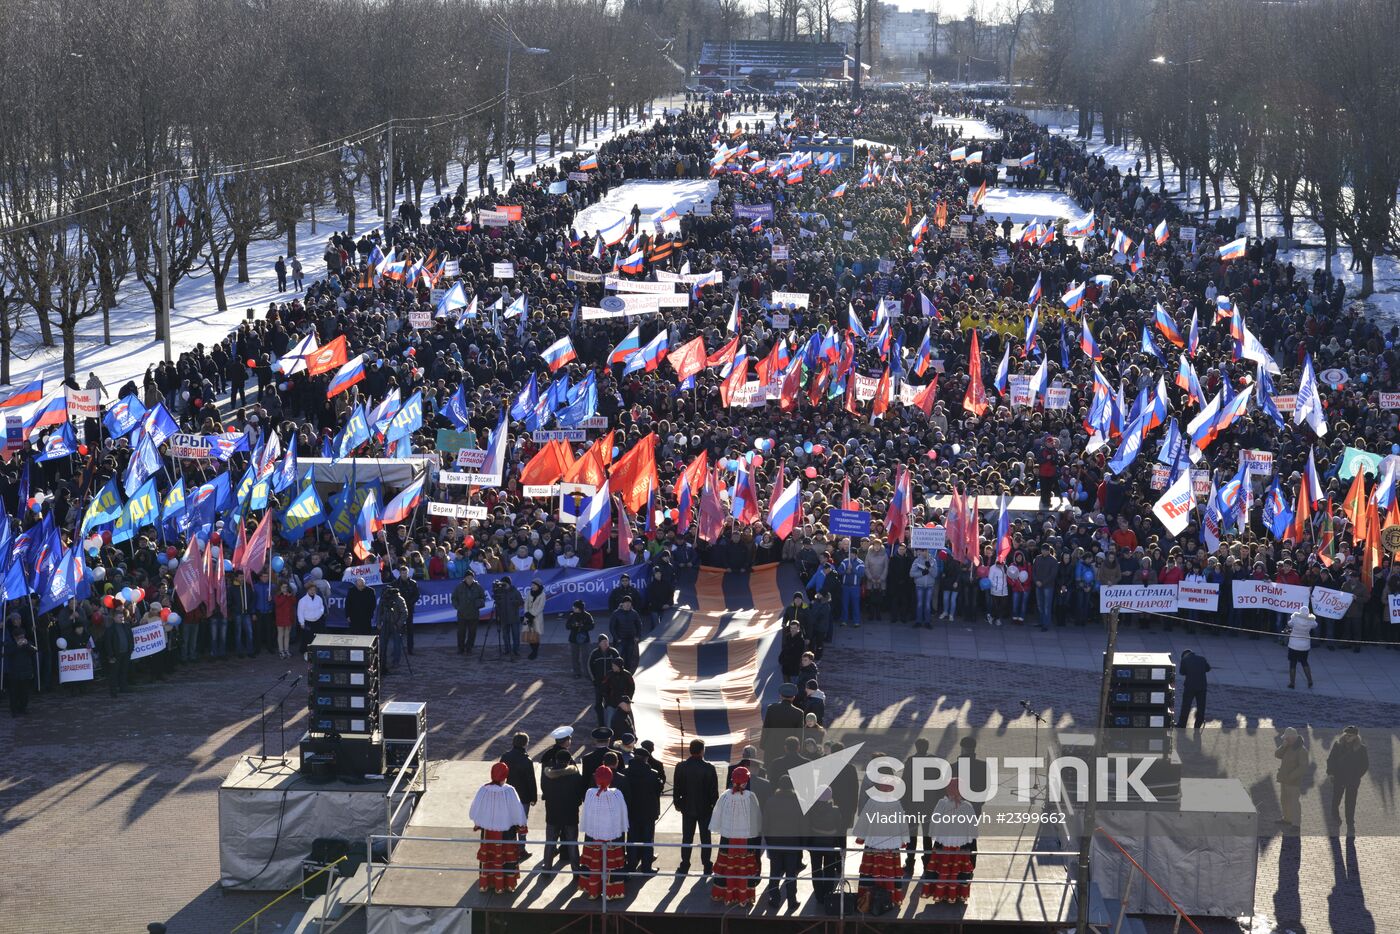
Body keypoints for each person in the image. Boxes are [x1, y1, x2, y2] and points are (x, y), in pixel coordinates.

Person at [468, 762, 528, 894]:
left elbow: (474, 811)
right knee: (507, 858)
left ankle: (486, 884)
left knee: (488, 858)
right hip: (506, 832)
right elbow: (517, 811)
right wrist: (521, 824)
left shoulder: (483, 789)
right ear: (506, 775)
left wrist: (480, 821)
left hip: (488, 832)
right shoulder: (510, 791)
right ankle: (507, 885)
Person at [854, 766, 906, 911]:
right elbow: (902, 822)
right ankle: (889, 899)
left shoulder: (872, 802)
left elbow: (864, 820)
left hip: (873, 844)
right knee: (890, 872)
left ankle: (868, 899)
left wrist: (861, 837)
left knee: (871, 871)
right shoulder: (896, 803)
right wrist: (903, 839)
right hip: (891, 846)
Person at [709, 765, 763, 906]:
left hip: (727, 838)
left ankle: (724, 895)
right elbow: (757, 819)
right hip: (746, 839)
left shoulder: (725, 796)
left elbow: (716, 817)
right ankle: (743, 896)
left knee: (727, 865)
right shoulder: (751, 797)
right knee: (744, 866)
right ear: (746, 781)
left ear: (733, 779)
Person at [578, 766, 629, 899]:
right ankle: (611, 893)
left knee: (594, 865)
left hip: (594, 838)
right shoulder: (617, 794)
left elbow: (586, 814)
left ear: (596, 778)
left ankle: (593, 891)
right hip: (612, 839)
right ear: (610, 778)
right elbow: (622, 814)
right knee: (611, 866)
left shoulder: (590, 793)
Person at [924, 779, 977, 903]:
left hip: (946, 843)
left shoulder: (944, 804)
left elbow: (934, 821)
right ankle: (955, 895)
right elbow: (972, 826)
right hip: (958, 844)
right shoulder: (964, 805)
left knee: (944, 869)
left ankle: (941, 894)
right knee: (956, 870)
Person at [673, 738, 719, 876]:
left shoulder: (681, 767)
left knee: (687, 837)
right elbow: (713, 792)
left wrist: (678, 804)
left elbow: (677, 788)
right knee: (706, 838)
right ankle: (706, 865)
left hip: (687, 808)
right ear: (702, 751)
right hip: (705, 809)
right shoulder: (709, 768)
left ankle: (685, 864)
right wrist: (714, 807)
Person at [761, 774, 804, 911]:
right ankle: (792, 901)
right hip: (792, 843)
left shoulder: (771, 801)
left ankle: (774, 899)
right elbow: (803, 825)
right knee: (791, 873)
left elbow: (765, 824)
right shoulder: (799, 802)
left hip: (775, 842)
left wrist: (768, 840)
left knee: (774, 872)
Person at [540, 751, 586, 871]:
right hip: (570, 813)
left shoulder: (547, 774)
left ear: (556, 759)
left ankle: (547, 867)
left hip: (552, 812)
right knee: (572, 843)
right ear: (569, 760)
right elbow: (580, 793)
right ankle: (575, 869)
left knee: (550, 842)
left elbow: (544, 789)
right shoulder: (575, 775)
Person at [624, 744, 664, 874]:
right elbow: (658, 790)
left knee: (632, 839)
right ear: (646, 759)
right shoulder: (653, 774)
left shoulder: (626, 773)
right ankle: (646, 867)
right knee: (647, 839)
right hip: (648, 812)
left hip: (631, 811)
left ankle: (631, 864)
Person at [499, 732, 538, 861]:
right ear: (526, 744)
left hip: (507, 797)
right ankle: (521, 849)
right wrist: (533, 797)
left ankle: (509, 849)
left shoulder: (505, 757)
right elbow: (530, 781)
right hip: (523, 798)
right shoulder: (527, 760)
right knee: (522, 824)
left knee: (509, 823)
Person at [806, 786, 845, 904]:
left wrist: (807, 844)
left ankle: (818, 894)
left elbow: (807, 827)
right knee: (829, 870)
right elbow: (840, 830)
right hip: (830, 845)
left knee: (816, 870)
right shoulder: (835, 810)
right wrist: (843, 846)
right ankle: (828, 893)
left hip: (815, 845)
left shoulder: (811, 809)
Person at [1326, 725, 1369, 833]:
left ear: (1356, 736)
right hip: (1339, 777)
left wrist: (1356, 776)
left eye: (1350, 736)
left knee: (1351, 801)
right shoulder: (1338, 745)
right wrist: (1330, 773)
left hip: (1352, 780)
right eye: (1346, 735)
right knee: (1336, 799)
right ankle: (1335, 816)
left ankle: (1350, 821)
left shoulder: (1361, 749)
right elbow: (1331, 759)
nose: (1347, 737)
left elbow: (1365, 765)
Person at [761, 683, 805, 765]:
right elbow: (799, 734)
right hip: (789, 748)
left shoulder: (771, 708)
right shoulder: (799, 713)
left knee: (770, 773)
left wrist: (763, 744)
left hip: (771, 747)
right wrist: (799, 750)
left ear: (780, 696)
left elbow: (766, 727)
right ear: (793, 697)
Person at [3, 616, 38, 716]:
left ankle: (23, 708)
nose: (21, 639)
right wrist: (17, 646)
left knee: (25, 693)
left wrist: (27, 645)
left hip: (26, 672)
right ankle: (14, 710)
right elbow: (8, 653)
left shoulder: (28, 643)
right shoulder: (10, 645)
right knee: (14, 693)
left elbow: (35, 649)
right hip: (14, 673)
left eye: (22, 636)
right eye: (18, 637)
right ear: (15, 637)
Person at [1275, 727, 1308, 829]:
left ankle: (1296, 824)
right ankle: (1287, 819)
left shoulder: (1302, 750)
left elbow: (1303, 767)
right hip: (1284, 779)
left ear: (1293, 738)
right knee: (1284, 800)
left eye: (1287, 738)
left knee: (1294, 803)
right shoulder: (1287, 746)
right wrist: (1283, 746)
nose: (1285, 740)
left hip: (1293, 781)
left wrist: (1291, 776)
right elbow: (1277, 755)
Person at [587, 636, 622, 726]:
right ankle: (601, 723)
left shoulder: (613, 652)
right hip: (599, 683)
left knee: (610, 703)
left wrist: (617, 679)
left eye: (607, 641)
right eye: (603, 642)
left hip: (611, 683)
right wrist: (594, 680)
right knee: (598, 704)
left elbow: (620, 665)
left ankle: (610, 723)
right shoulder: (594, 653)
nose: (606, 643)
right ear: (599, 643)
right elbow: (589, 667)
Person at [102, 603, 135, 696]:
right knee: (114, 673)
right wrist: (111, 655)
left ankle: (123, 688)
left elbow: (131, 638)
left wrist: (131, 648)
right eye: (120, 617)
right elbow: (108, 643)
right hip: (116, 655)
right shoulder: (110, 629)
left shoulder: (127, 626)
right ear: (114, 618)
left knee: (124, 671)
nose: (122, 618)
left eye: (123, 617)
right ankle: (113, 691)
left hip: (126, 652)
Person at [452, 571, 487, 654]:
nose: (470, 579)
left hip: (474, 614)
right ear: (465, 578)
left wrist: (479, 603)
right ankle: (461, 648)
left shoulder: (478, 587)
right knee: (461, 633)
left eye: (471, 578)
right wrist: (458, 607)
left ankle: (469, 647)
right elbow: (454, 598)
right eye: (468, 578)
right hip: (462, 614)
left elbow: (483, 597)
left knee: (472, 633)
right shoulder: (459, 587)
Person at [1285, 604, 1317, 689]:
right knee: (1304, 662)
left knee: (1292, 663)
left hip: (1293, 645)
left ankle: (1292, 683)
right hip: (1304, 645)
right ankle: (1310, 680)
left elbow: (1289, 623)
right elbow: (1315, 625)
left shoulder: (1295, 618)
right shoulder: (1311, 621)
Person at [1176, 649, 1211, 729]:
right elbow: (1208, 669)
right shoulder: (1202, 659)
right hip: (1202, 687)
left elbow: (1182, 672)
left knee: (1186, 706)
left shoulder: (1185, 660)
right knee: (1201, 707)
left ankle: (1182, 725)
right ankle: (1197, 726)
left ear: (1184, 656)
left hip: (1190, 687)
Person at [609, 596, 642, 672]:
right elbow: (612, 627)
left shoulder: (634, 613)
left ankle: (627, 673)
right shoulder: (616, 613)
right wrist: (617, 638)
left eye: (629, 603)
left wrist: (637, 636)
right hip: (620, 640)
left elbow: (639, 625)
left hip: (631, 639)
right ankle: (617, 672)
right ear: (622, 604)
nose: (627, 605)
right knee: (618, 657)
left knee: (629, 658)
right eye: (626, 603)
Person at [493, 577, 523, 658]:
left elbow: (521, 602)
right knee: (505, 635)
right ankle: (507, 649)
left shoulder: (515, 592)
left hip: (514, 617)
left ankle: (516, 650)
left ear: (508, 583)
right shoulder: (500, 592)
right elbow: (497, 603)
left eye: (504, 583)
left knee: (515, 635)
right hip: (504, 617)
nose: (503, 585)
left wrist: (514, 602)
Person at [565, 600, 594, 678]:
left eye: (574, 607)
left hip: (584, 639)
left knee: (586, 657)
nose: (573, 608)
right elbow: (567, 626)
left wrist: (582, 626)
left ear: (579, 608)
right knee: (575, 656)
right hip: (573, 639)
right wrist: (573, 625)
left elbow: (592, 626)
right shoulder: (572, 615)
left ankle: (587, 673)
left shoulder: (587, 615)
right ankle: (577, 673)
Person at [837, 550, 865, 627]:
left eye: (853, 554)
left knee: (855, 605)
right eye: (850, 554)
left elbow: (861, 574)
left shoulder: (860, 563)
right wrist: (846, 571)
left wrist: (852, 569)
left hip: (855, 587)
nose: (851, 555)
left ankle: (856, 621)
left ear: (856, 554)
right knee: (844, 604)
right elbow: (839, 571)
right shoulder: (845, 561)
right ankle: (844, 620)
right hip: (845, 586)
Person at [911, 549, 938, 628]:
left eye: (926, 551)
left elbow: (935, 574)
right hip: (919, 585)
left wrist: (930, 568)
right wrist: (921, 573)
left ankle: (927, 622)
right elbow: (911, 573)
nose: (924, 553)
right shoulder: (917, 561)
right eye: (923, 551)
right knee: (919, 604)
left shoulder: (933, 560)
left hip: (929, 585)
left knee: (927, 604)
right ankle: (918, 621)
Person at [522, 579, 546, 660]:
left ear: (538, 586)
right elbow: (525, 603)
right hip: (528, 616)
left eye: (534, 585)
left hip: (537, 618)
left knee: (535, 635)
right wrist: (526, 612)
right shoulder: (529, 593)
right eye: (532, 585)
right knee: (529, 635)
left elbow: (541, 607)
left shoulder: (542, 594)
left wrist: (532, 614)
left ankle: (535, 652)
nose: (532, 586)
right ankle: (533, 650)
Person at [273, 582, 297, 658]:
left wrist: (290, 596)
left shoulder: (290, 595)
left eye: (286, 587)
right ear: (280, 588)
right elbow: (278, 603)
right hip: (280, 618)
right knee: (280, 634)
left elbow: (294, 602)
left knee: (287, 635)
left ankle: (286, 650)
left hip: (289, 617)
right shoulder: (277, 596)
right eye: (283, 587)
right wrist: (284, 596)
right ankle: (281, 651)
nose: (285, 589)